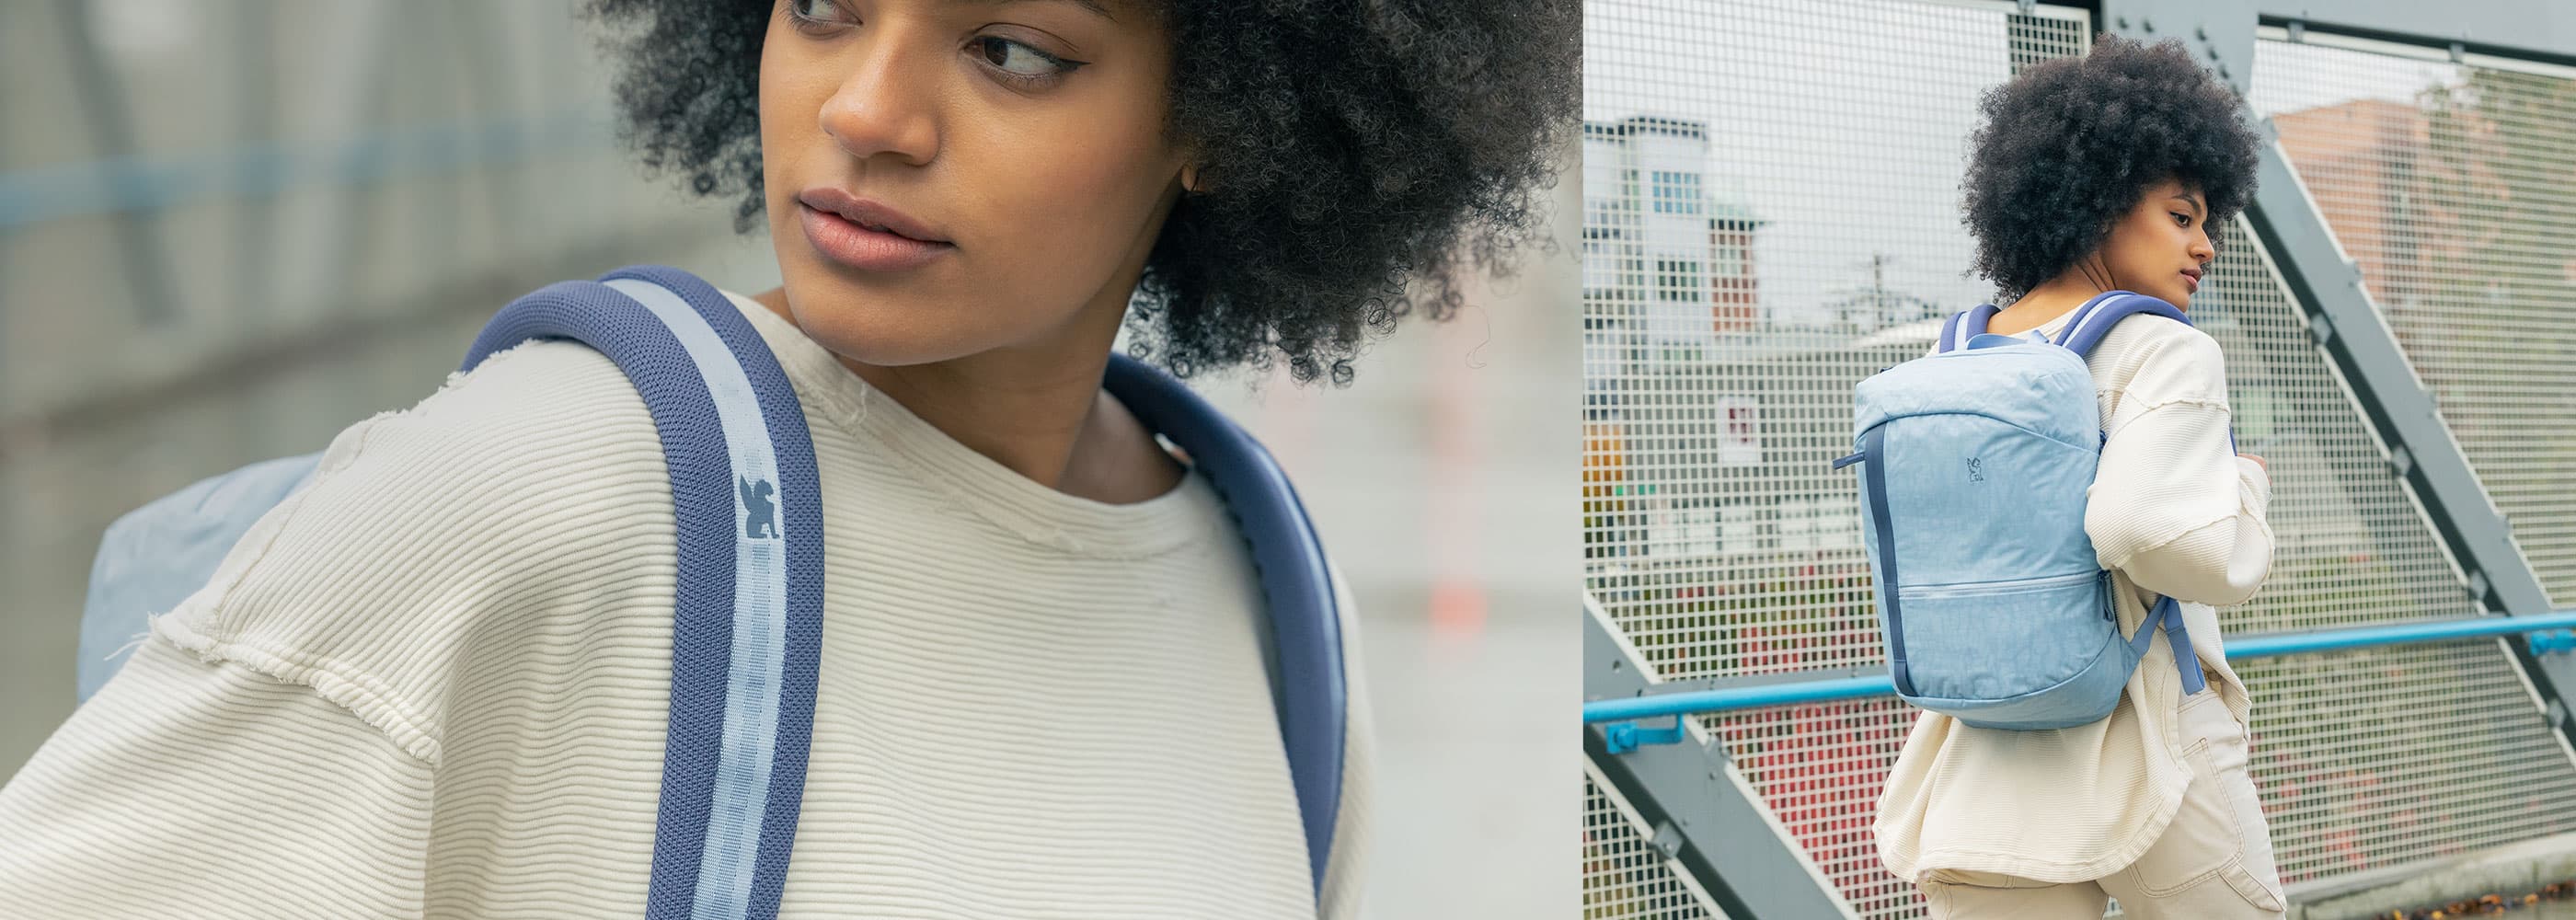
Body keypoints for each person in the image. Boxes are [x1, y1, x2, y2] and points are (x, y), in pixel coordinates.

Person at [0, 1, 1578, 917]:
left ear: (1226, 114)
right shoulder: (531, 491)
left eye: (1013, 49)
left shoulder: (1267, 597)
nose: (868, 110)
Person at [1871, 35, 2281, 919]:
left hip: (1984, 752)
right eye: (2183, 215)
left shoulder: (1959, 353)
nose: (2205, 245)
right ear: (2099, 201)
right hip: (2150, 744)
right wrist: (2245, 489)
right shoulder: (2166, 349)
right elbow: (2149, 533)